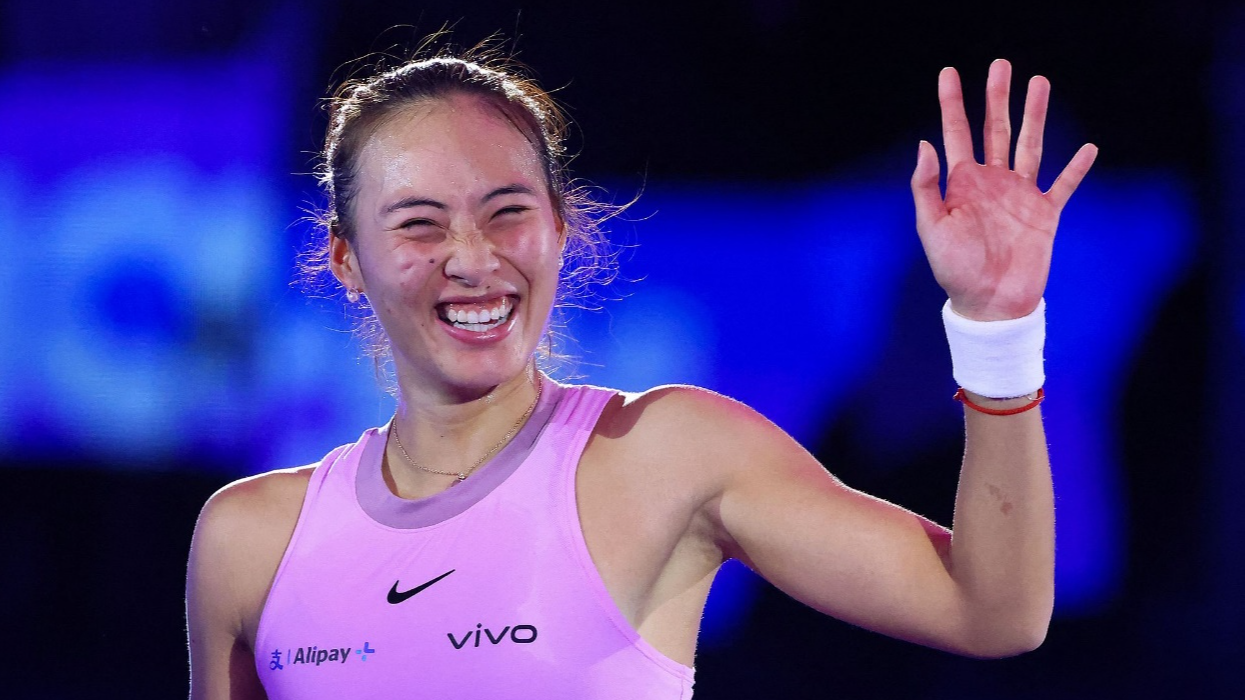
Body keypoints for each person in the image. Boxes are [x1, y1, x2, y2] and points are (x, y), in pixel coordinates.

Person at [185, 46, 1097, 699]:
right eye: (419, 224)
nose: (471, 258)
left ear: (560, 229)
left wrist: (995, 326)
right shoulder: (248, 540)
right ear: (346, 259)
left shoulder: (668, 454)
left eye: (507, 212)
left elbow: (994, 612)